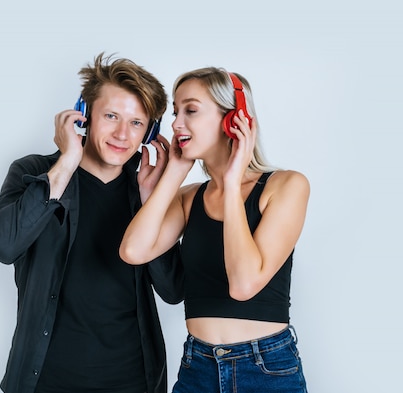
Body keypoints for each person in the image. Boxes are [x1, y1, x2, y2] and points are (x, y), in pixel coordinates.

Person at [0, 52, 183, 393]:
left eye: (136, 123)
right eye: (111, 116)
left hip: (133, 380)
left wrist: (152, 201)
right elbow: (3, 245)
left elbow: (173, 289)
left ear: (150, 132)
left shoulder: (148, 190)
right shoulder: (33, 172)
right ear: (84, 114)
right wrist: (65, 163)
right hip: (44, 379)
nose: (122, 133)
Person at [119, 67, 310, 392]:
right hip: (198, 367)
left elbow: (244, 284)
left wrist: (232, 182)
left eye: (190, 110)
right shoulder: (190, 197)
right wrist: (174, 173)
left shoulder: (287, 185)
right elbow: (133, 251)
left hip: (265, 369)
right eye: (176, 112)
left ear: (233, 119)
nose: (177, 123)